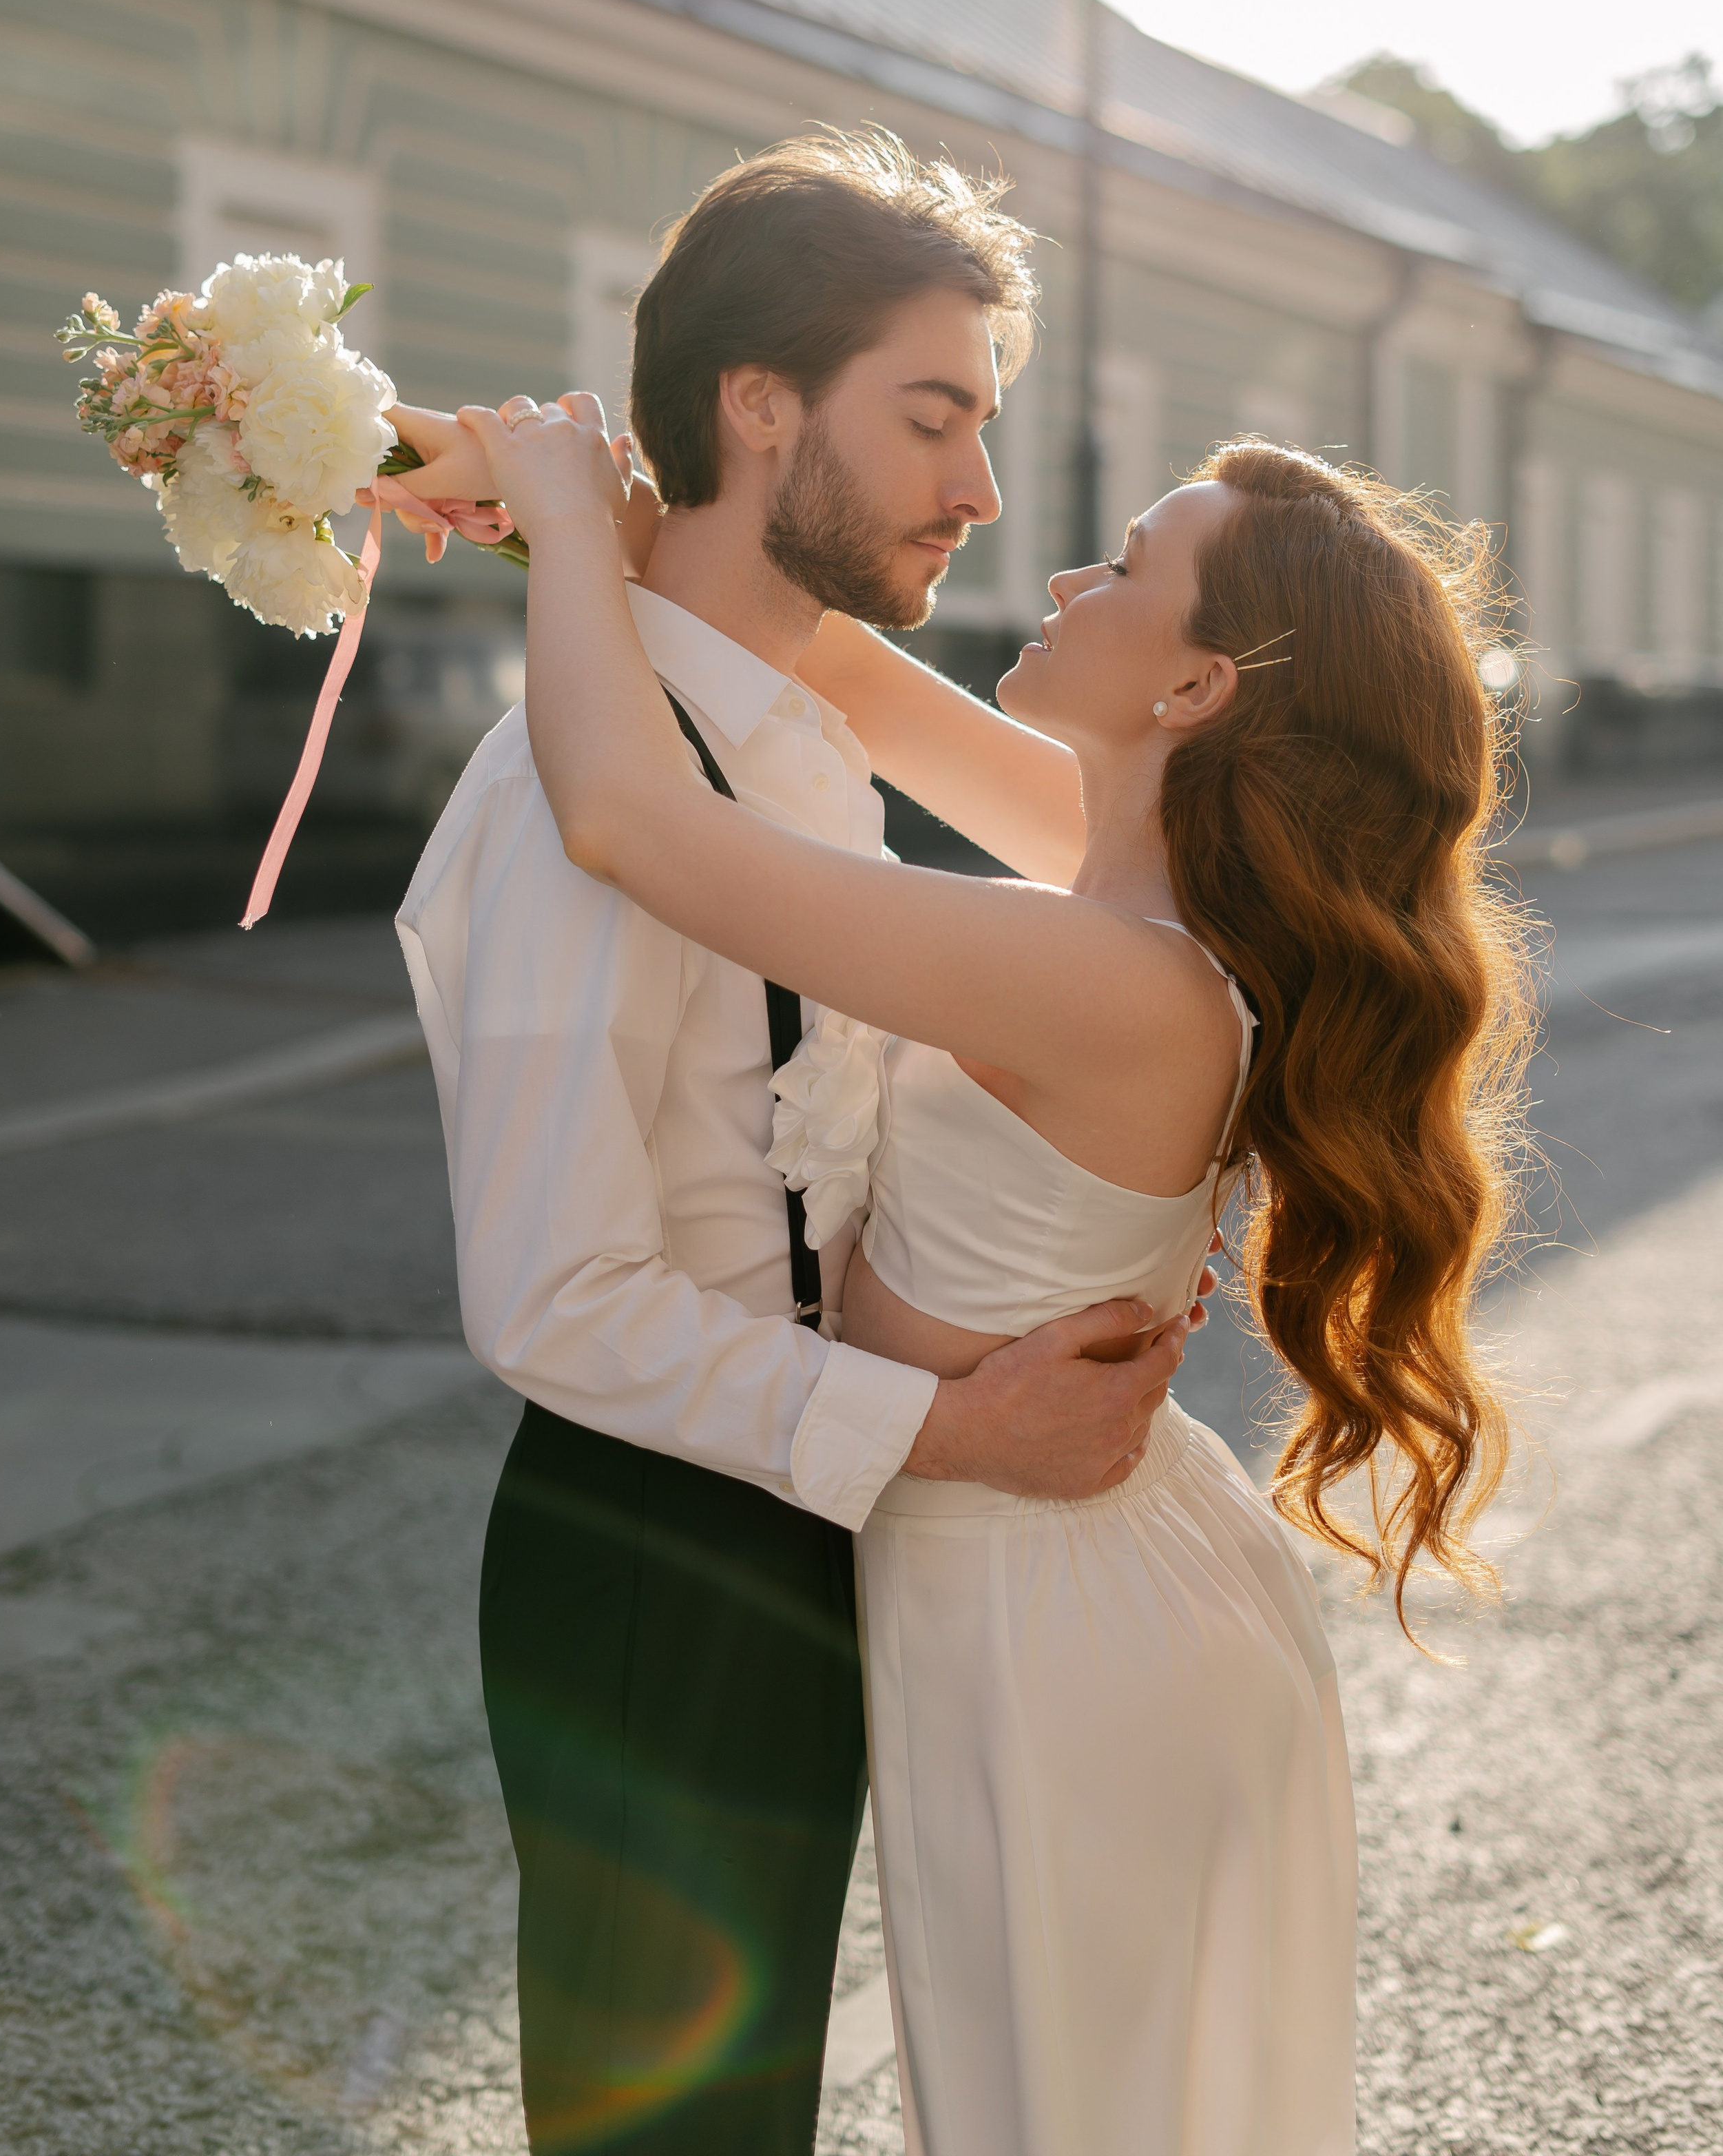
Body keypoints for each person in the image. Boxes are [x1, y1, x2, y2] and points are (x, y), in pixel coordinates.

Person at [448, 394, 1536, 2156]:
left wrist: (568, 533)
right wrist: (446, 455)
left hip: (1064, 1618)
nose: (1051, 563)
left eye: (1122, 566)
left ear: (1192, 691)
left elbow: (633, 826)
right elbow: (830, 654)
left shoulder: (1099, 970)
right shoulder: (1125, 876)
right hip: (1062, 1573)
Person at [391, 134, 1210, 2156]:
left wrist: (574, 526)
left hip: (792, 1510)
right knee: (667, 2128)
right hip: (656, 1547)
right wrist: (952, 1432)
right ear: (760, 407)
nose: (985, 495)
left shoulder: (778, 735)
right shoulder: (582, 793)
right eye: (933, 419)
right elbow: (556, 1298)